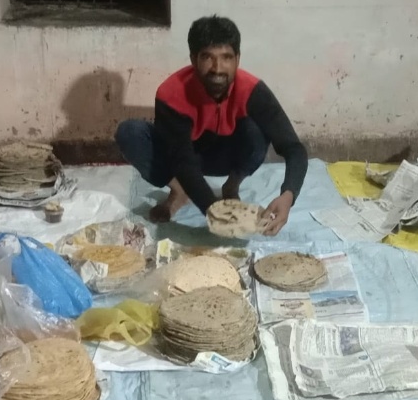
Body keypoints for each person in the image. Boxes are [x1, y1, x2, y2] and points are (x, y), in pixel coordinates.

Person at [116, 15, 308, 236]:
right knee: (130, 133)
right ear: (193, 59)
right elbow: (182, 160)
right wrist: (214, 211)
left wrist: (288, 195)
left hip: (226, 157)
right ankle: (180, 191)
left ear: (238, 59)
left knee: (257, 130)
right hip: (184, 158)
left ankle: (231, 186)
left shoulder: (253, 90)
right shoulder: (171, 93)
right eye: (208, 57)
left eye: (227, 57)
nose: (218, 68)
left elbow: (294, 147)